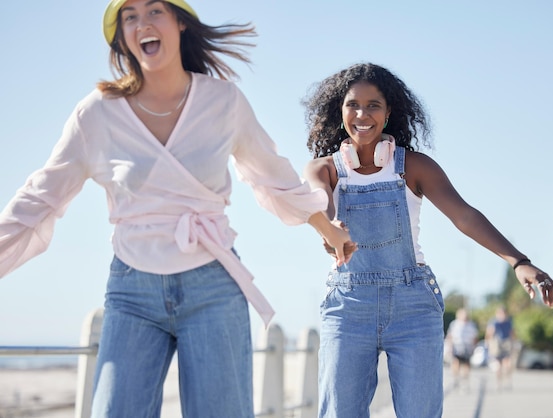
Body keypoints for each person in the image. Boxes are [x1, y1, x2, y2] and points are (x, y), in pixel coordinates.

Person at [0, 1, 354, 416]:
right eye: (129, 16)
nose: (142, 24)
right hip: (132, 289)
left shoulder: (223, 101)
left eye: (154, 11)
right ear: (123, 38)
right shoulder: (96, 114)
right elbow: (40, 197)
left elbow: (273, 176)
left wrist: (326, 228)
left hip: (213, 287)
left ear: (180, 23)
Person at [302, 62, 553, 418]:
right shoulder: (324, 169)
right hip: (348, 307)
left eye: (373, 105)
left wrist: (519, 261)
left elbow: (464, 216)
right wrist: (331, 228)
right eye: (353, 105)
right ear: (340, 111)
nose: (362, 114)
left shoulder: (415, 167)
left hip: (413, 307)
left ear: (389, 112)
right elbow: (319, 202)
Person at [445, 308, 479, 391]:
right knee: (456, 363)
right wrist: (449, 346)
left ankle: (465, 381)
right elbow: (450, 336)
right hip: (457, 346)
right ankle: (456, 378)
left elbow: (474, 337)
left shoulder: (471, 325)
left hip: (467, 347)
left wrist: (474, 347)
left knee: (466, 365)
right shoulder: (455, 324)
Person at [485, 306, 516, 390]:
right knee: (498, 366)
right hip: (497, 343)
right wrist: (487, 343)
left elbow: (512, 333)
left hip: (506, 343)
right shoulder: (494, 322)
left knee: (507, 364)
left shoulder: (509, 322)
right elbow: (490, 333)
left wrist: (514, 343)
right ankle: (498, 383)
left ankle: (507, 380)